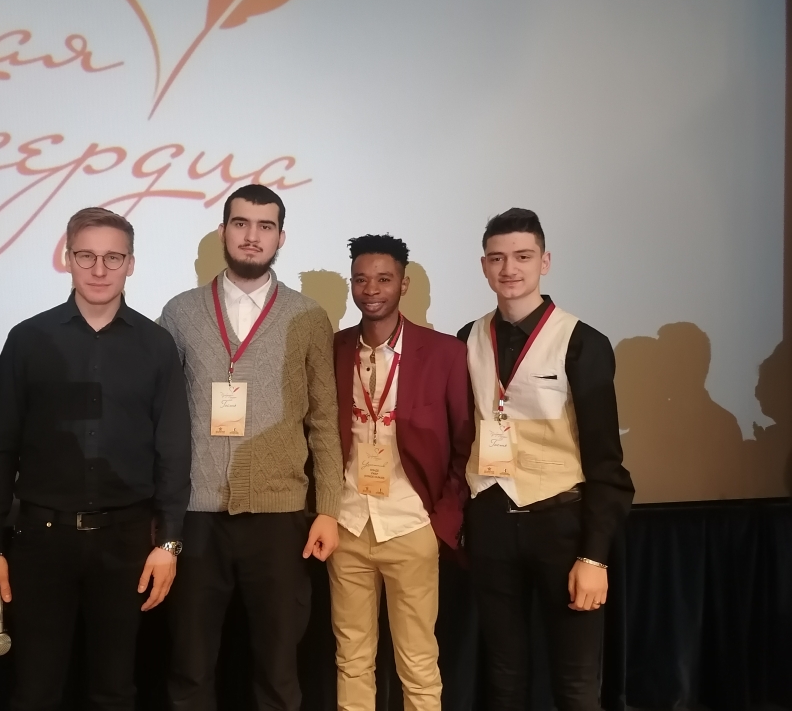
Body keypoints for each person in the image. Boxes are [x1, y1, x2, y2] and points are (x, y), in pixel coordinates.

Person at [0, 208, 191, 711]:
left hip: (127, 542)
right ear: (67, 258)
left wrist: (170, 542)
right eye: (87, 256)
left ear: (131, 264)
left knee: (115, 690)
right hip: (40, 541)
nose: (99, 269)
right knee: (35, 689)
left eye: (113, 257)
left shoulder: (157, 345)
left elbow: (173, 449)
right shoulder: (28, 339)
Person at [159, 183, 342, 711]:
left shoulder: (308, 316)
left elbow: (324, 420)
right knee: (190, 667)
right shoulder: (180, 312)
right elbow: (161, 418)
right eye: (241, 223)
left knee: (278, 669)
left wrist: (328, 509)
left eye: (265, 226)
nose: (252, 236)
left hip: (280, 518)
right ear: (223, 231)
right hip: (197, 516)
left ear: (281, 237)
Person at [457, 208, 635, 711]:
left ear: (545, 262)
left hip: (561, 523)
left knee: (575, 685)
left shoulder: (583, 342)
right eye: (497, 258)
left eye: (522, 256)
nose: (509, 268)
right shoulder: (467, 337)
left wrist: (594, 555)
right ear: (484, 266)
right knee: (503, 678)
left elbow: (606, 460)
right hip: (491, 520)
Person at [328, 234, 473, 711]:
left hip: (411, 526)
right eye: (361, 279)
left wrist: (441, 524)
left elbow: (464, 446)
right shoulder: (334, 348)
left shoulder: (444, 352)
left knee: (418, 663)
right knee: (352, 660)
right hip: (347, 525)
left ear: (403, 284)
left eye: (384, 279)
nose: (371, 289)